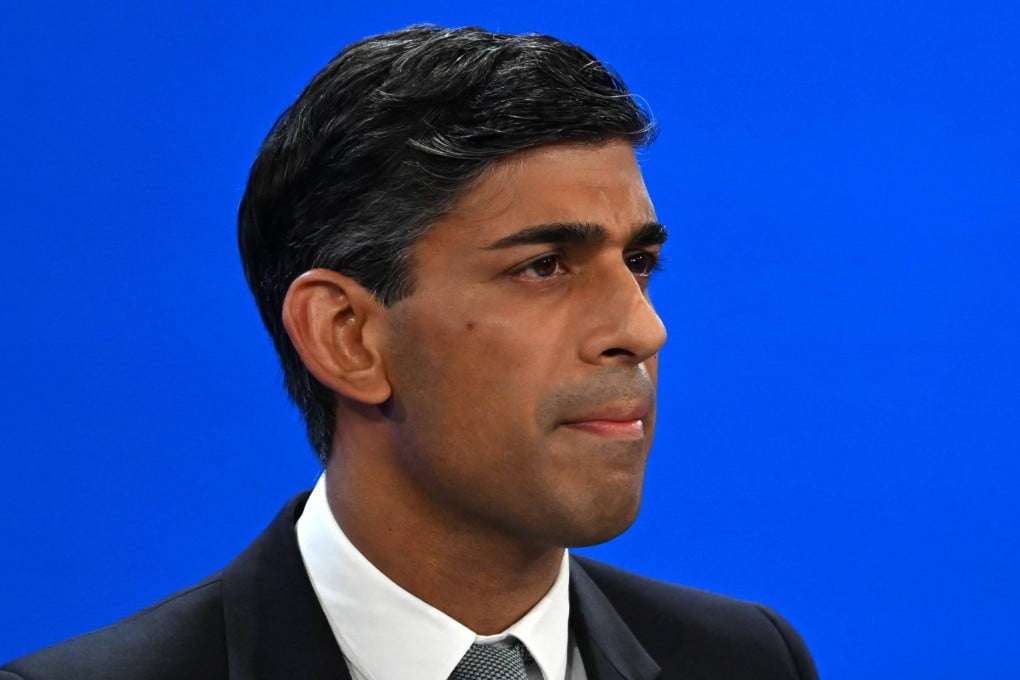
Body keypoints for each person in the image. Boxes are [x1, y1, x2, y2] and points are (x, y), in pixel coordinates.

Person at [1, 25, 818, 680]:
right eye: (544, 267)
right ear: (347, 336)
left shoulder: (747, 659)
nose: (643, 329)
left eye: (638, 264)